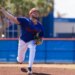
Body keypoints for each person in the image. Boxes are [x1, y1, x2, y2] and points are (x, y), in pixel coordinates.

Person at [0, 7, 44, 74]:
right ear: (30, 14)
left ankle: (30, 67)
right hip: (22, 41)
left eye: (37, 13)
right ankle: (19, 60)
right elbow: (13, 19)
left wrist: (39, 40)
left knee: (33, 48)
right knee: (20, 59)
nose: (36, 14)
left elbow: (41, 37)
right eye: (34, 12)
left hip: (31, 41)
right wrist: (4, 11)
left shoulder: (40, 26)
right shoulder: (25, 21)